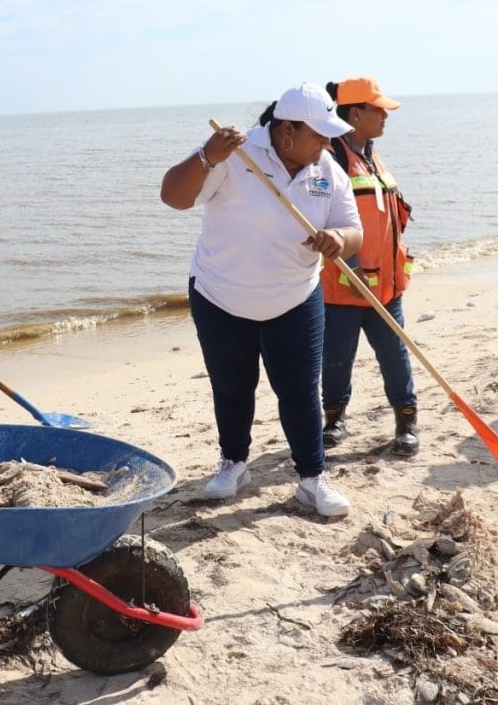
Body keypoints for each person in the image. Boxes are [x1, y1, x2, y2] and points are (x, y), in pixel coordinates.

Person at [161, 82, 363, 517]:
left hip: (295, 296)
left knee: (300, 390)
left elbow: (353, 229)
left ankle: (312, 479)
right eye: (319, 134)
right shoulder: (233, 152)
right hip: (220, 295)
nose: (328, 143)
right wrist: (205, 157)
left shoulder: (326, 168)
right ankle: (233, 463)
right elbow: (173, 197)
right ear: (286, 130)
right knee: (232, 386)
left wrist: (338, 240)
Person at [319, 77, 419, 456]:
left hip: (386, 286)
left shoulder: (371, 155)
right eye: (378, 110)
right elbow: (326, 219)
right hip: (347, 284)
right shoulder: (332, 158)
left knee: (395, 355)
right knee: (337, 358)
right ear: (355, 113)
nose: (385, 116)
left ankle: (406, 422)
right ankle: (334, 421)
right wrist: (355, 265)